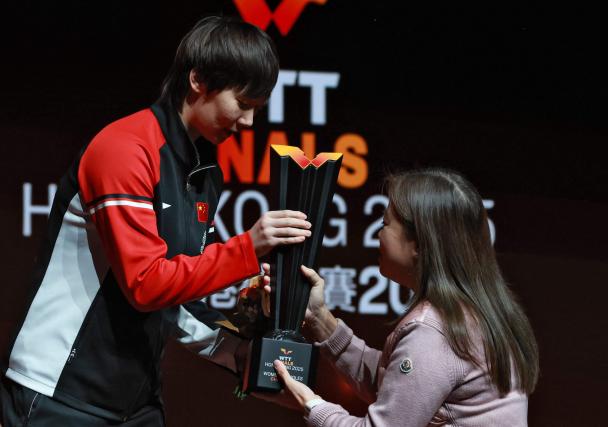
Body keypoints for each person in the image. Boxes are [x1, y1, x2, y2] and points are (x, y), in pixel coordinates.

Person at [0, 16, 311, 426]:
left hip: (136, 401)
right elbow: (146, 285)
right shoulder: (125, 148)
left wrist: (238, 352)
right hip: (60, 392)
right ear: (198, 80)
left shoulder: (204, 172)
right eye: (243, 104)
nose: (249, 123)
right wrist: (247, 248)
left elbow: (176, 300)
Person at [262, 168, 539, 426]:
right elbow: (399, 387)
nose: (377, 234)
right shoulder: (470, 312)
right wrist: (320, 318)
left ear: (418, 243)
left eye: (385, 224)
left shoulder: (434, 331)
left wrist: (311, 404)